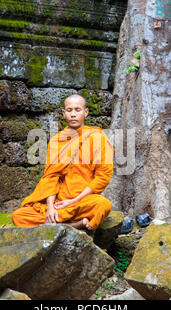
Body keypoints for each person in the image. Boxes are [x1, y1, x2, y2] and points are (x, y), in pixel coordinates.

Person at [12, 94, 114, 230]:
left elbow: (102, 177)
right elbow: (51, 177)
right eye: (69, 110)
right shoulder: (56, 141)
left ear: (86, 112)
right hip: (58, 203)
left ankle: (57, 224)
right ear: (64, 113)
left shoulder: (97, 138)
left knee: (103, 205)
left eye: (77, 110)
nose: (73, 114)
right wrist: (50, 208)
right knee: (19, 215)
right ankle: (72, 225)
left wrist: (74, 201)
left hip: (82, 200)